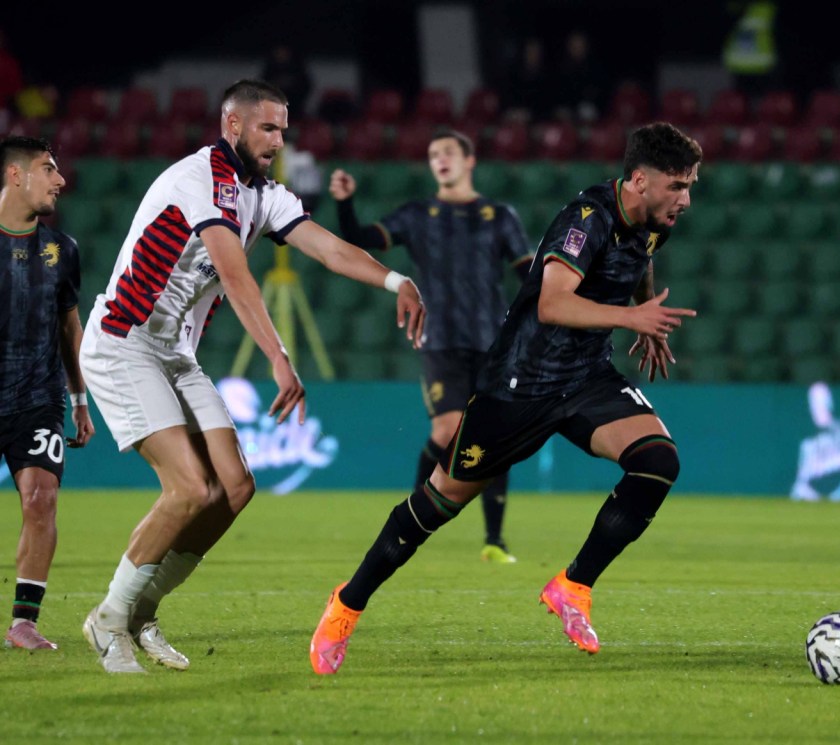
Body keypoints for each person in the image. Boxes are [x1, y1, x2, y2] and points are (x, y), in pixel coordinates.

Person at [310, 121, 702, 674]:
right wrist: (631, 317)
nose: (686, 199)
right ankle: (347, 604)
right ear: (639, 180)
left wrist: (644, 311)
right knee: (438, 502)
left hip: (586, 377)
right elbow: (552, 304)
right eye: (677, 186)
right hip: (519, 383)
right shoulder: (587, 219)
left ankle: (573, 585)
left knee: (658, 461)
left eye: (690, 186)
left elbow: (641, 257)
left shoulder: (655, 220)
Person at [79, 79, 425, 674]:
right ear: (233, 125)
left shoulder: (262, 194)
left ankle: (142, 611)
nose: (278, 141)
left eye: (283, 130)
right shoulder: (200, 178)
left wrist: (397, 281)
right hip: (123, 341)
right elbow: (235, 276)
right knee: (189, 489)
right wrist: (278, 355)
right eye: (268, 128)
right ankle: (108, 619)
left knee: (235, 487)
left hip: (174, 352)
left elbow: (330, 249)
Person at [330, 129, 533, 564]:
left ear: (469, 160)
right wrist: (345, 202)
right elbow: (359, 237)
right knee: (447, 430)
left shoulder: (499, 216)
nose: (440, 159)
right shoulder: (417, 214)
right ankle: (412, 518)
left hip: (493, 344)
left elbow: (528, 274)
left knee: (495, 439)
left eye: (448, 152)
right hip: (440, 341)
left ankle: (494, 540)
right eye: (433, 153)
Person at [0, 136, 94, 650]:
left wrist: (79, 399)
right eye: (48, 169)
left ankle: (24, 622)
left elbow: (68, 328)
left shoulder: (63, 249)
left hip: (38, 397)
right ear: (15, 175)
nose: (60, 180)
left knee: (41, 498)